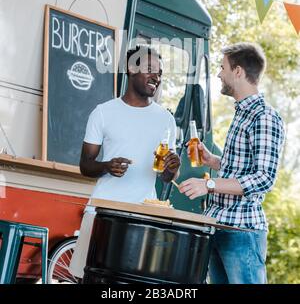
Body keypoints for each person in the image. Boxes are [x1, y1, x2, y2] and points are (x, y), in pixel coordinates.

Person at [69, 45, 180, 279]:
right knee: (90, 277)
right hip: (102, 211)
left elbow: (166, 177)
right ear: (131, 69)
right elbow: (85, 165)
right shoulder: (103, 113)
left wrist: (172, 169)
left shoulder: (166, 119)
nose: (156, 78)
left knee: (132, 282)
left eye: (159, 73)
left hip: (144, 216)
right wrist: (106, 166)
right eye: (150, 70)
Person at [179, 42, 285, 284]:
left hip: (242, 232)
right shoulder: (242, 113)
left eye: (222, 67)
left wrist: (209, 185)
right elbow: (241, 168)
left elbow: (264, 178)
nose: (218, 73)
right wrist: (213, 161)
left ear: (238, 72)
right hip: (219, 224)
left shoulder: (264, 117)